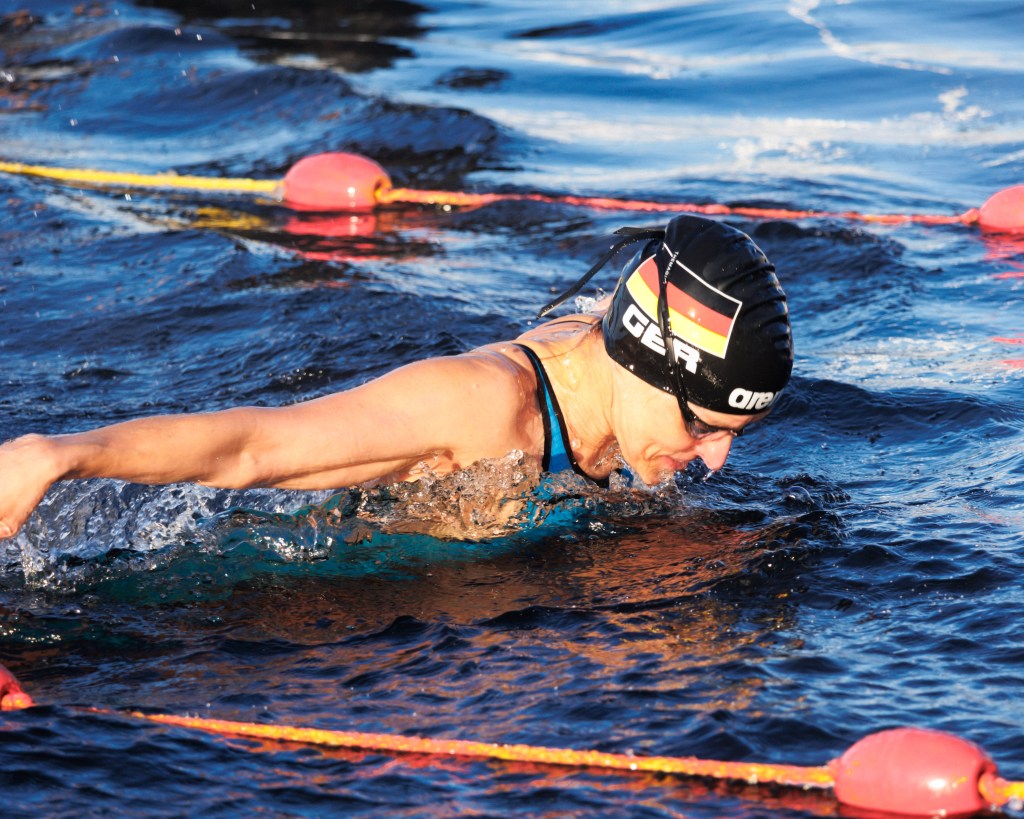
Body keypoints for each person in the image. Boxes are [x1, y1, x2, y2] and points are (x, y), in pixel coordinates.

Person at [0, 215, 793, 541]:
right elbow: (251, 450)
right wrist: (59, 455)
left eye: (733, 432)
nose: (717, 458)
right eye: (703, 425)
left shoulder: (618, 378)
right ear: (641, 359)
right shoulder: (479, 405)